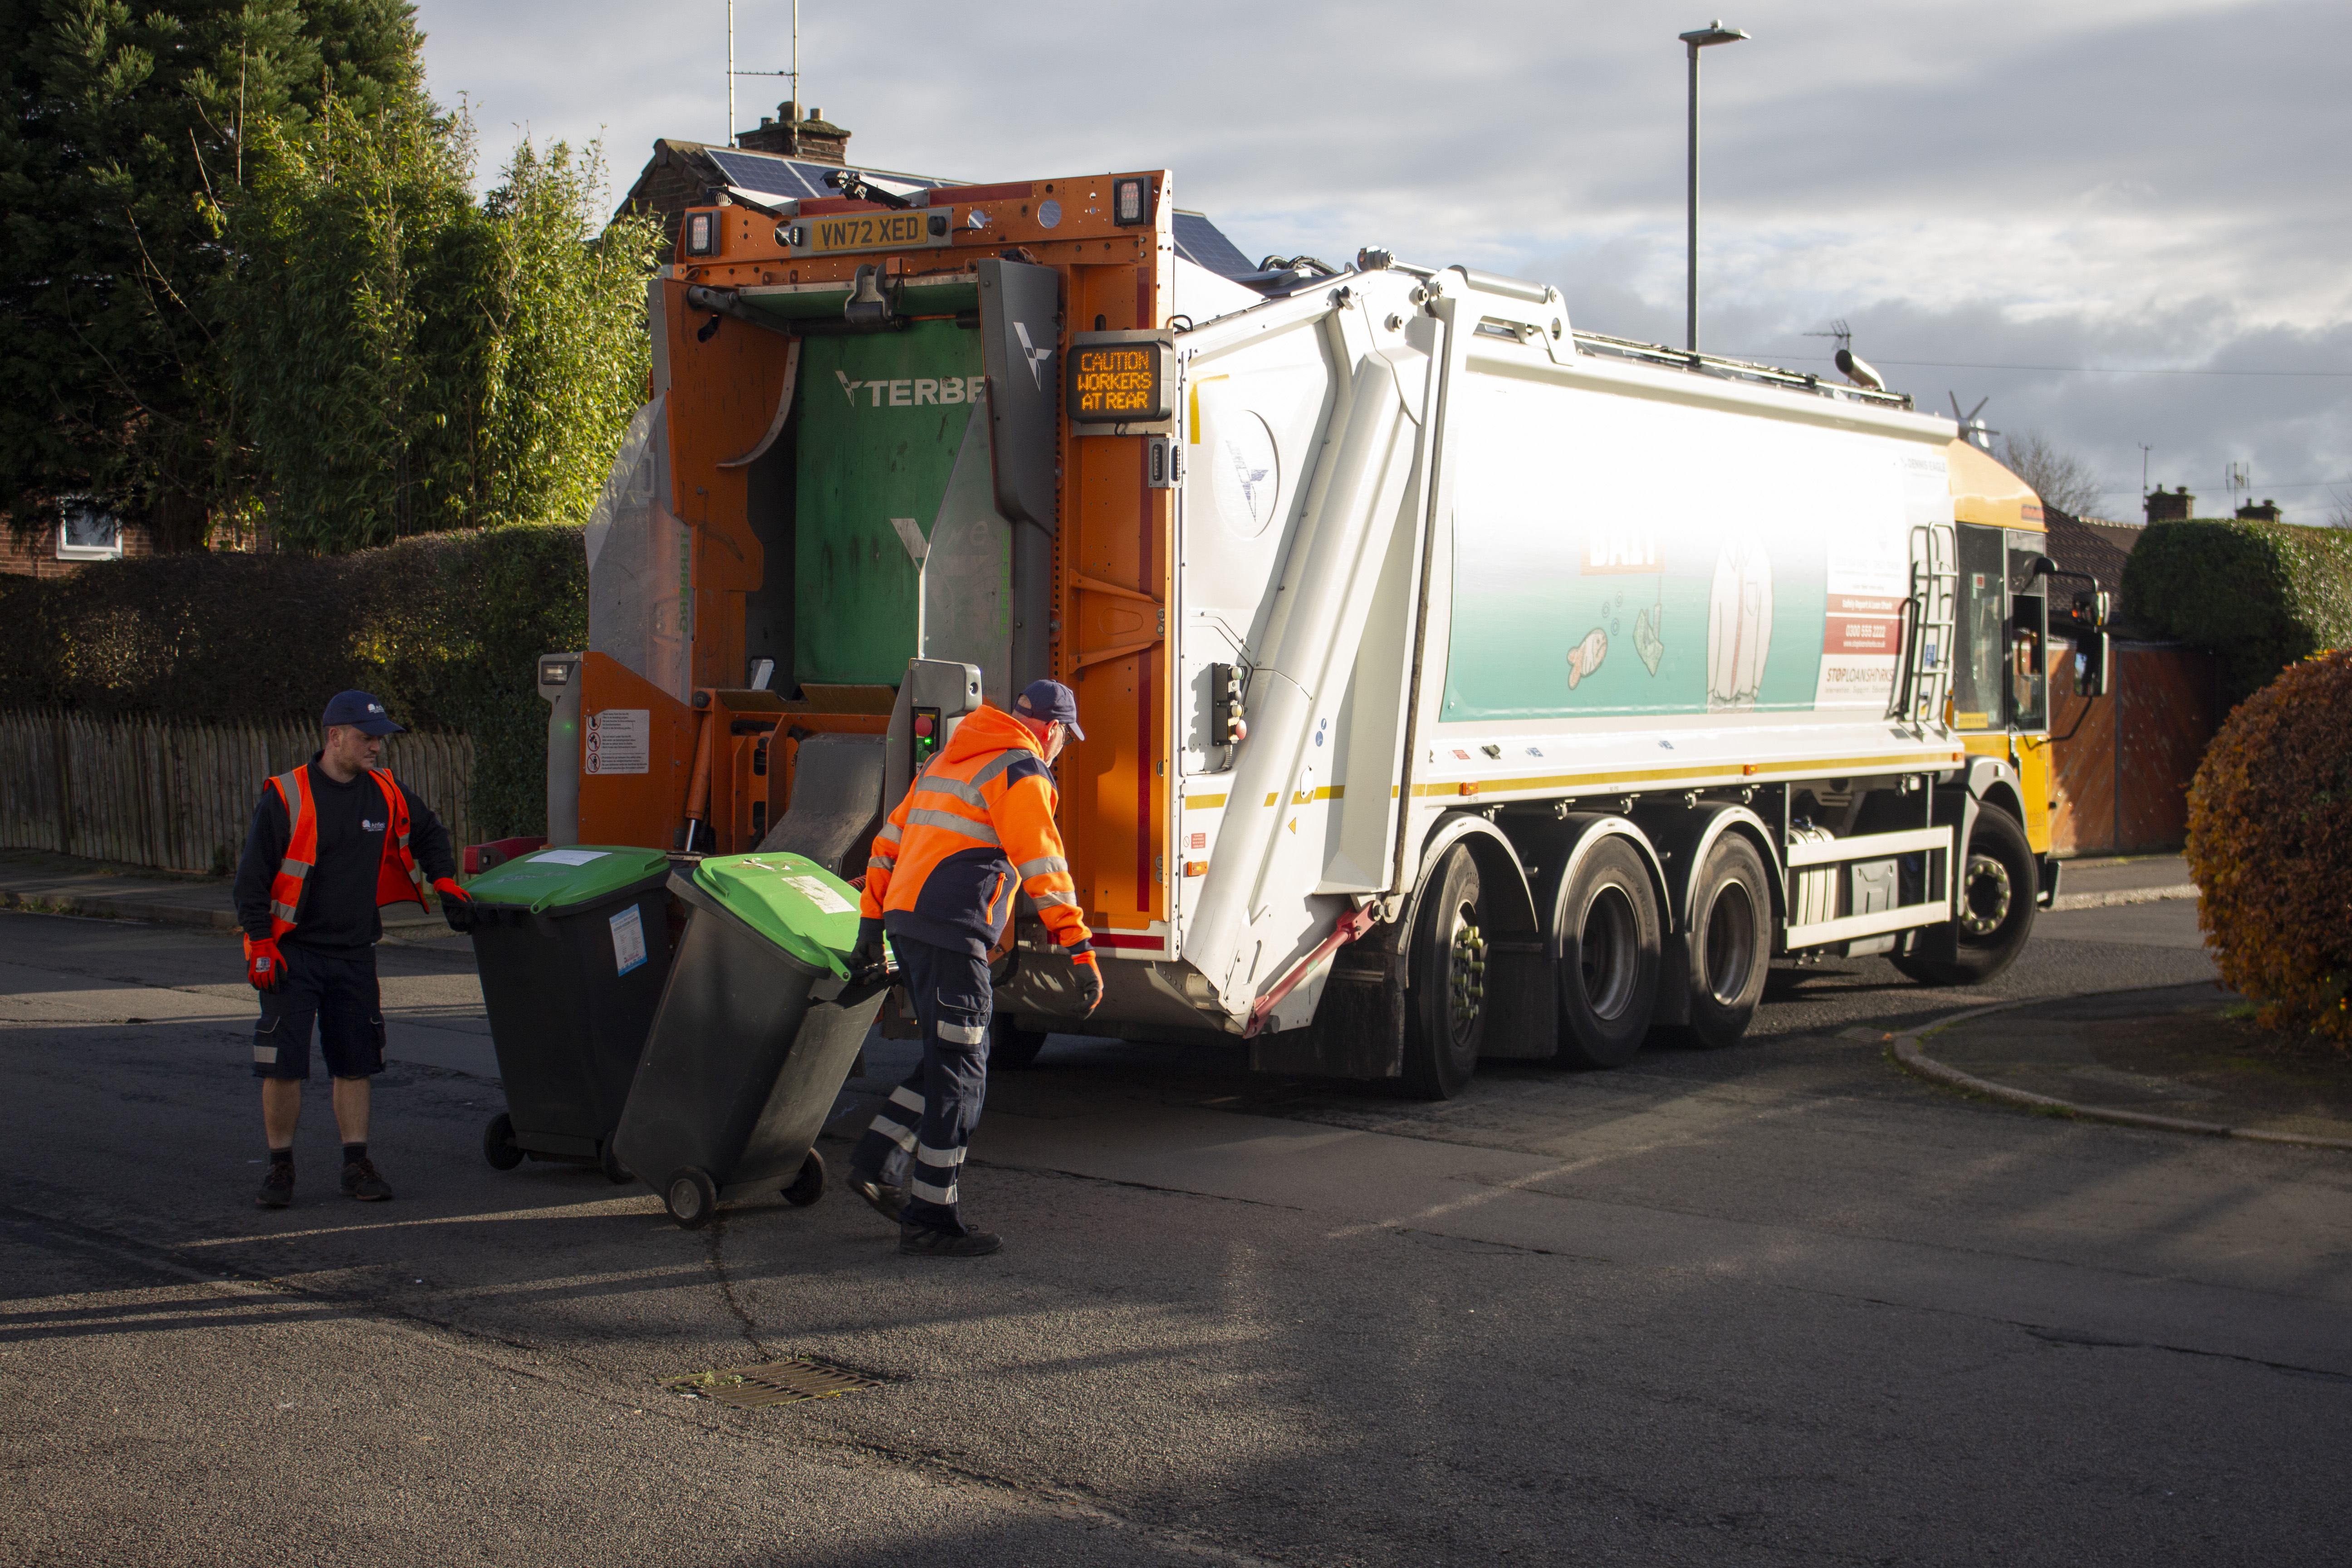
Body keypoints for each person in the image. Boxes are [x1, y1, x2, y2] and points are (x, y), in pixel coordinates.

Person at [845, 678, 1102, 1257]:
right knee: (964, 1073)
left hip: (910, 925)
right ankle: (931, 1218)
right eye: (1064, 737)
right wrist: (1077, 947)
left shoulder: (950, 758)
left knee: (952, 1057)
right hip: (952, 930)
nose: (1061, 748)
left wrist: (870, 923)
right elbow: (1043, 862)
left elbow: (889, 841)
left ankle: (875, 1163)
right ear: (1053, 730)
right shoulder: (1021, 771)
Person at [233, 691, 467, 1208]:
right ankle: (280, 1168)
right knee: (283, 1064)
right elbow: (251, 881)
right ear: (334, 736)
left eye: (380, 738)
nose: (377, 748)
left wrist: (445, 880)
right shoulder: (288, 795)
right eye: (367, 738)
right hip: (292, 954)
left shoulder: (385, 792)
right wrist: (263, 943)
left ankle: (356, 1165)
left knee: (356, 1062)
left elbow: (430, 833)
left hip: (355, 952)